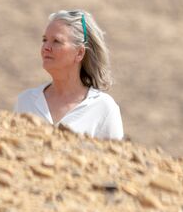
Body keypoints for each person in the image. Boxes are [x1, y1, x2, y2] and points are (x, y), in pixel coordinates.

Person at [13, 9, 124, 139]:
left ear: (79, 53)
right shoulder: (26, 101)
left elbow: (115, 157)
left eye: (56, 41)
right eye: (45, 40)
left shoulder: (104, 108)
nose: (46, 47)